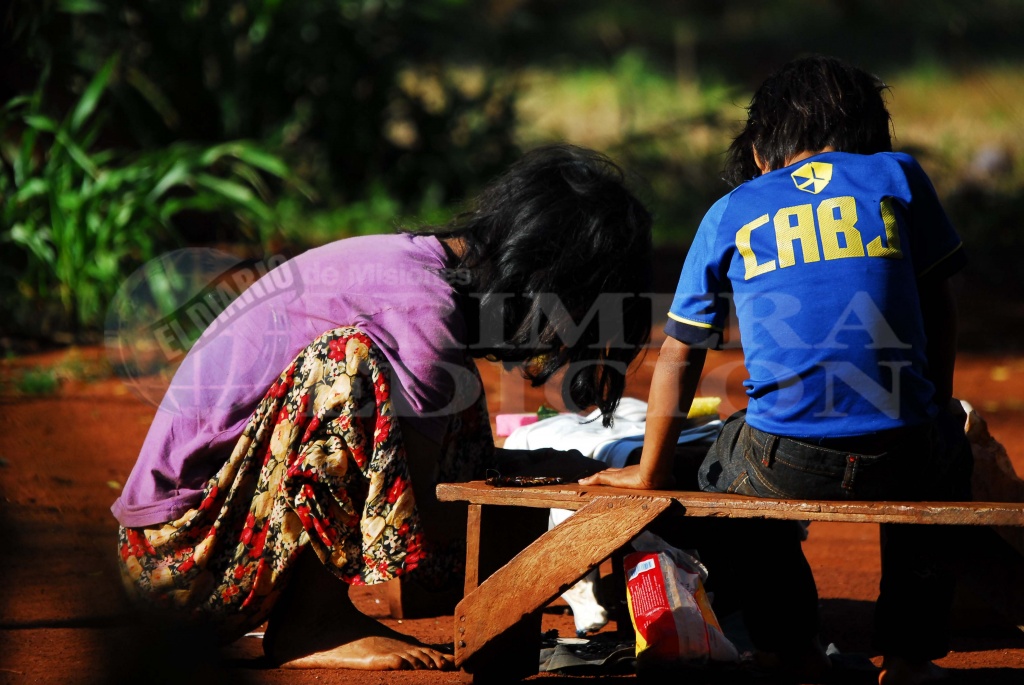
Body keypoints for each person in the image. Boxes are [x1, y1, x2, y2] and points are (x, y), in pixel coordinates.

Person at [112, 143, 653, 671]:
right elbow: (421, 513)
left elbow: (438, 476)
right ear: (545, 278)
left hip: (202, 545)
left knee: (451, 402)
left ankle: (315, 612)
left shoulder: (417, 269)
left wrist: (545, 470)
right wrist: (547, 519)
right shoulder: (422, 309)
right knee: (350, 365)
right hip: (182, 566)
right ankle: (312, 622)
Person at [581, 56, 972, 685]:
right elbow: (941, 308)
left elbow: (680, 350)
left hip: (785, 459)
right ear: (871, 135)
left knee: (726, 472)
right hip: (906, 450)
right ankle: (909, 656)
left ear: (762, 151)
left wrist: (650, 471)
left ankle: (790, 645)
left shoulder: (733, 208)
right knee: (946, 463)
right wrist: (937, 410)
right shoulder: (898, 175)